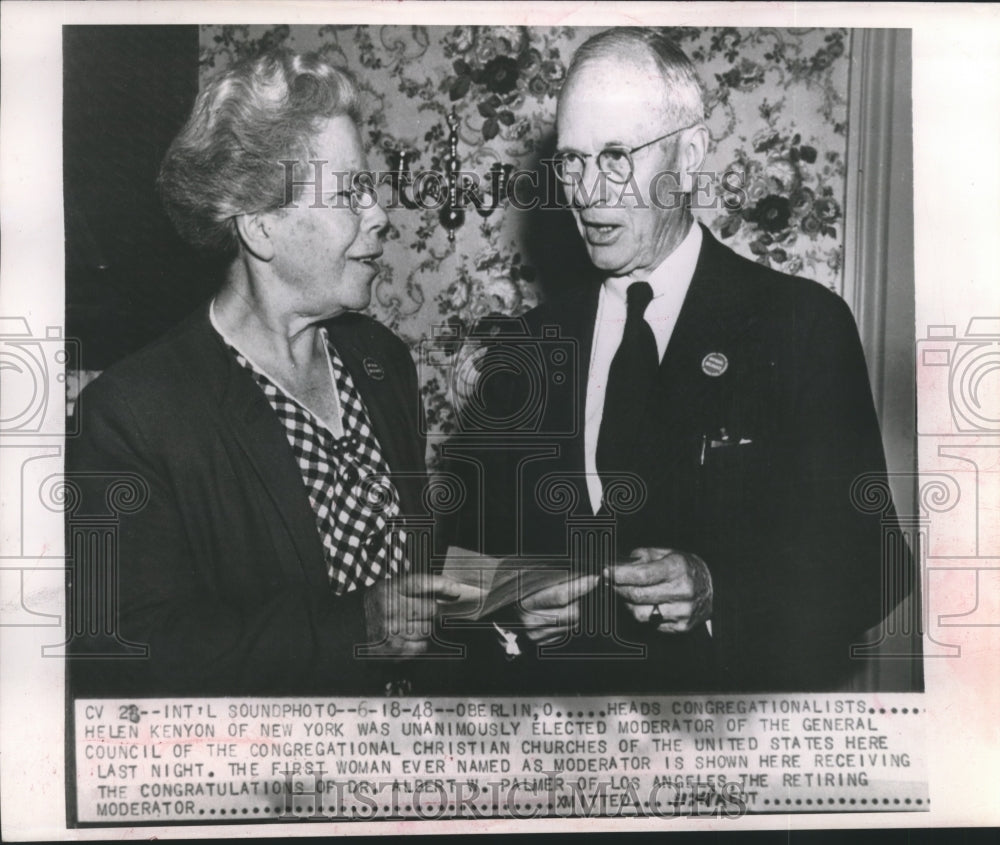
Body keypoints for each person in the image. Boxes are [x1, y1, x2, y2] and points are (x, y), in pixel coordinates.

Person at [444, 28, 914, 693]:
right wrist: (513, 611)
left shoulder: (798, 325)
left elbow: (873, 565)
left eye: (615, 156)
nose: (585, 192)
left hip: (725, 746)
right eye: (572, 161)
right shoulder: (523, 349)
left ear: (688, 155)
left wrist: (719, 589)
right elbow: (459, 563)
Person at [67, 48, 462, 697]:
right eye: (349, 193)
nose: (380, 215)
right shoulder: (134, 413)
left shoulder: (380, 361)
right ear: (261, 227)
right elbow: (127, 646)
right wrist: (350, 628)